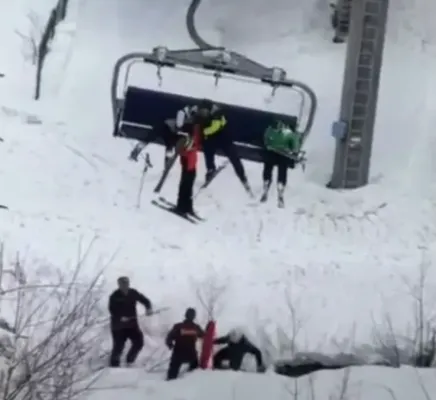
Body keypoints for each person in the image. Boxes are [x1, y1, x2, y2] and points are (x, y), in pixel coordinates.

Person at [199, 100, 252, 195]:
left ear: (208, 109)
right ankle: (210, 169)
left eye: (204, 111)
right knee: (207, 148)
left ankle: (243, 178)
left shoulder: (218, 113)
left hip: (225, 139)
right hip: (214, 139)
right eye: (202, 111)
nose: (203, 113)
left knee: (234, 157)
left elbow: (215, 127)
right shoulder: (203, 113)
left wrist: (204, 132)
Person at [129, 104, 200, 167]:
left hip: (170, 129)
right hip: (164, 126)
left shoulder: (188, 118)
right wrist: (186, 129)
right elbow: (179, 125)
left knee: (170, 144)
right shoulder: (182, 112)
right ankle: (135, 152)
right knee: (150, 138)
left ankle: (167, 162)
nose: (193, 117)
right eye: (193, 114)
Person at [108, 276, 153, 367]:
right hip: (118, 326)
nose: (125, 286)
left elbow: (145, 300)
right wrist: (120, 317)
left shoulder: (133, 293)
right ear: (119, 285)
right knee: (118, 346)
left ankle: (130, 361)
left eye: (126, 284)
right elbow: (111, 309)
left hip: (132, 325)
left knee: (139, 342)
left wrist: (148, 308)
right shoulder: (114, 296)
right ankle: (114, 365)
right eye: (123, 284)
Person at [261, 120, 301, 207]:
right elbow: (295, 145)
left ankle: (269, 182)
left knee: (273, 164)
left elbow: (266, 138)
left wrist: (268, 144)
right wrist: (293, 150)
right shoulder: (276, 130)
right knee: (279, 166)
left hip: (279, 152)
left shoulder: (272, 130)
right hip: (278, 152)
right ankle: (278, 184)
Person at [165, 307, 205, 380]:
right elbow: (204, 336)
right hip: (191, 354)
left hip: (178, 353)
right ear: (194, 317)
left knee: (171, 376)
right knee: (194, 375)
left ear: (185, 315)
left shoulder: (178, 326)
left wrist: (170, 345)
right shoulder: (196, 327)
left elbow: (169, 337)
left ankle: (169, 382)